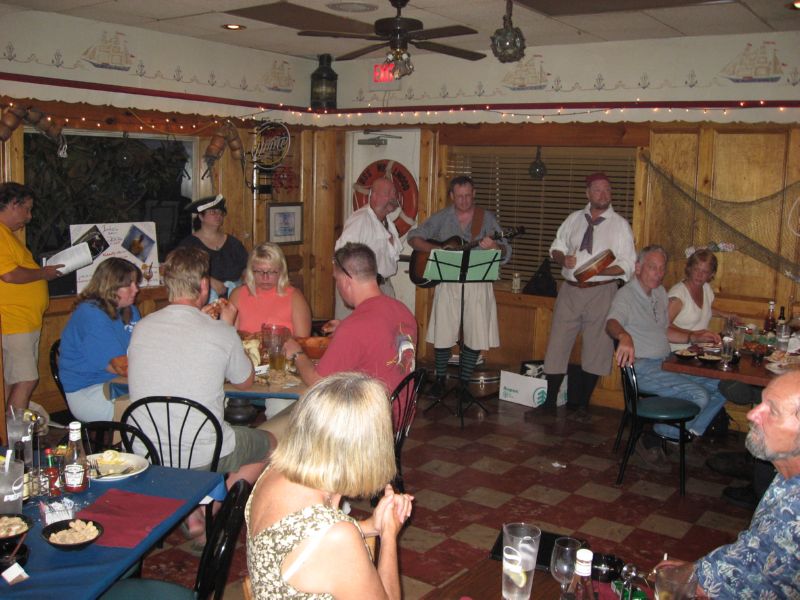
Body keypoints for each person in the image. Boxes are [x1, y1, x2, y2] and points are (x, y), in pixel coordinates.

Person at [246, 373, 413, 600]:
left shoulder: (275, 472)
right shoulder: (335, 536)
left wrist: (372, 525)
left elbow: (297, 540)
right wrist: (389, 534)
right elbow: (327, 541)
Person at [127, 246, 271, 490]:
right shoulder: (221, 332)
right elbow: (245, 382)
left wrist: (206, 321)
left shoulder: (142, 327)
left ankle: (196, 504)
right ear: (204, 285)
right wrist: (227, 327)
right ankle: (212, 503)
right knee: (273, 444)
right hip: (203, 455)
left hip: (145, 451)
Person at [655, 371, 800, 599]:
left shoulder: (792, 516)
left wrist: (696, 577)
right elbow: (753, 554)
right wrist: (703, 568)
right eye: (761, 403)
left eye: (772, 410)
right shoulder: (786, 475)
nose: (752, 414)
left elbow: (722, 587)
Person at [606, 245, 727, 468]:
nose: (658, 273)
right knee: (698, 395)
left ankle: (680, 437)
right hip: (641, 367)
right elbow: (612, 322)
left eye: (662, 269)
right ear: (638, 268)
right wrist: (623, 336)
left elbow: (664, 330)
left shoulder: (660, 293)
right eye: (652, 267)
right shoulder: (626, 295)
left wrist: (693, 336)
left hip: (665, 363)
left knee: (722, 386)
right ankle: (652, 438)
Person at [542, 172, 636, 415]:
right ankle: (549, 403)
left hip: (602, 291)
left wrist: (601, 271)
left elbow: (628, 264)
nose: (603, 194)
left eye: (607, 190)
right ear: (588, 193)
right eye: (597, 190)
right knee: (557, 344)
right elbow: (556, 247)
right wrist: (563, 258)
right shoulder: (574, 219)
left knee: (597, 348)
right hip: (570, 291)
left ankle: (583, 405)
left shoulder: (620, 225)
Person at [406, 175, 509, 399]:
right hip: (448, 282)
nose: (464, 200)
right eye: (459, 196)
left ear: (474, 194)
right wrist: (435, 250)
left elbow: (506, 251)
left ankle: (464, 383)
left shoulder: (486, 218)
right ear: (452, 195)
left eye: (468, 196)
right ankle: (440, 380)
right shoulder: (442, 217)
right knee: (443, 332)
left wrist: (495, 246)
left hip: (477, 282)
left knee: (475, 332)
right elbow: (413, 237)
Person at [283, 243, 417, 396]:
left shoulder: (354, 328)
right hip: (399, 408)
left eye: (336, 279)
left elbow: (319, 383)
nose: (337, 285)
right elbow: (379, 340)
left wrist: (297, 354)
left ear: (346, 281)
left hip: (368, 410)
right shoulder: (403, 310)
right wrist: (343, 328)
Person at [0, 182, 64, 411]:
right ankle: (15, 432)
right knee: (26, 380)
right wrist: (44, 273)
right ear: (12, 204)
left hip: (22, 322)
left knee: (12, 381)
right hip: (15, 322)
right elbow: (8, 274)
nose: (29, 217)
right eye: (26, 209)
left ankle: (7, 429)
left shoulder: (7, 235)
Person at [58, 258, 141, 422]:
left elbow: (143, 350)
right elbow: (121, 367)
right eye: (129, 285)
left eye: (136, 283)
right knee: (152, 405)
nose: (136, 289)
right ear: (110, 287)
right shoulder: (91, 314)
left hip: (118, 382)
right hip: (88, 392)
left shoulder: (130, 310)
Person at [334, 177, 402, 318]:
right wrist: (350, 290)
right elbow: (341, 256)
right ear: (374, 196)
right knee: (355, 330)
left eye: (394, 193)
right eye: (387, 193)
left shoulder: (388, 224)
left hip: (383, 287)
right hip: (360, 290)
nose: (393, 197)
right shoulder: (360, 220)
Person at [229, 242, 311, 336]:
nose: (265, 278)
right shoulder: (237, 295)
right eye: (259, 271)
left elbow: (302, 341)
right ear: (251, 271)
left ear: (281, 271)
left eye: (272, 272)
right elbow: (229, 337)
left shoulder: (295, 298)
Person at [178, 194, 248, 301]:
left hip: (234, 300)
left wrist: (245, 280)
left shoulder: (233, 243)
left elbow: (246, 267)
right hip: (203, 300)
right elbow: (181, 272)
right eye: (213, 212)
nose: (218, 215)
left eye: (221, 213)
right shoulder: (188, 244)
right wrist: (209, 280)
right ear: (201, 216)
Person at [667, 248, 735, 351]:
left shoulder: (706, 288)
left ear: (711, 274)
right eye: (696, 269)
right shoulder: (678, 294)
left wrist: (726, 315)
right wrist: (695, 335)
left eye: (705, 271)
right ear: (689, 269)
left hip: (700, 350)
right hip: (678, 353)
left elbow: (701, 310)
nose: (699, 275)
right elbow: (663, 325)